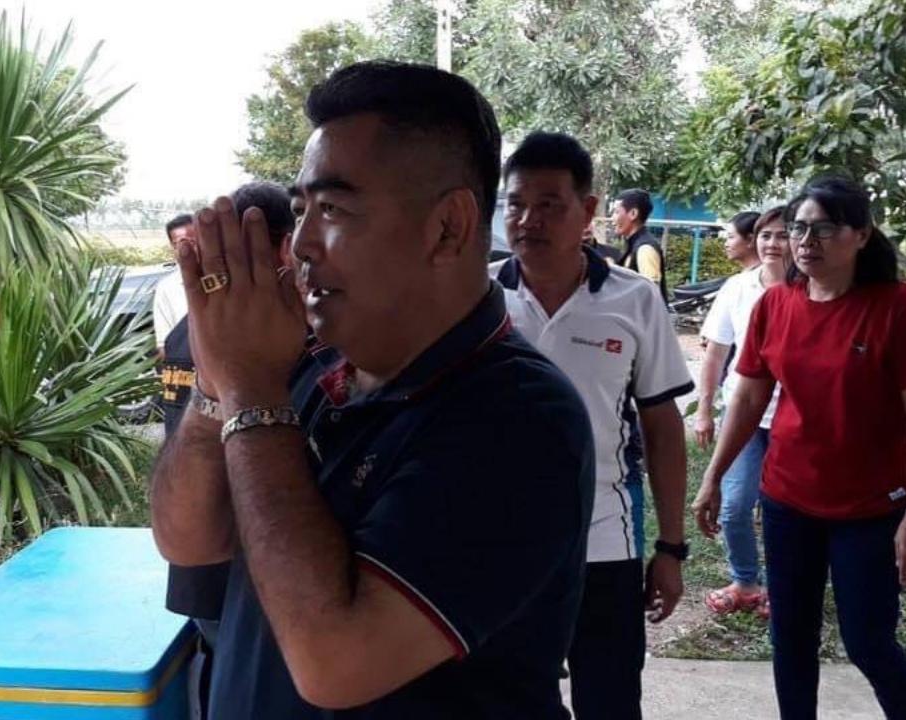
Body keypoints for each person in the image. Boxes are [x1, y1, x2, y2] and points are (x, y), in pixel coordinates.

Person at [150, 61, 594, 719]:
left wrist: (249, 390)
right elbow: (187, 541)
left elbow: (335, 662)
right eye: (299, 211)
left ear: (448, 227)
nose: (301, 245)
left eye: (332, 209)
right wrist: (218, 386)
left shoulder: (521, 417)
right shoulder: (304, 365)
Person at [693, 175, 906, 719]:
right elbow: (748, 396)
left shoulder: (904, 309)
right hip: (788, 498)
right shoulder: (774, 305)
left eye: (824, 229)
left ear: (862, 235)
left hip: (871, 507)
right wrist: (713, 476)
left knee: (868, 641)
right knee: (790, 637)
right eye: (798, 228)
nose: (806, 241)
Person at [493, 131, 693, 720]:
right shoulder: (477, 298)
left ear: (588, 211)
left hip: (604, 540)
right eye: (515, 204)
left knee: (609, 700)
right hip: (495, 544)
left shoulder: (634, 300)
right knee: (504, 702)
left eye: (548, 205)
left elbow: (662, 427)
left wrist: (671, 548)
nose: (527, 220)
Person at [159, 182, 295, 719]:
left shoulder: (187, 330)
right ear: (281, 248)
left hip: (218, 569)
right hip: (239, 568)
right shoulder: (283, 336)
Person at [692, 206, 791, 617]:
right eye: (766, 235)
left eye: (782, 235)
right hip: (744, 415)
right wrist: (704, 410)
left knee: (784, 511)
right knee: (734, 506)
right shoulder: (737, 288)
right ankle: (745, 581)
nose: (773, 243)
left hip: (793, 421)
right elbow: (715, 353)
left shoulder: (812, 289)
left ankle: (783, 588)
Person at [612, 188, 667, 300]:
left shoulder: (645, 249)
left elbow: (651, 294)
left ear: (633, 214)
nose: (613, 218)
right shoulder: (633, 244)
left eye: (616, 212)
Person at [153, 214, 196, 356]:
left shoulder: (223, 281)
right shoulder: (166, 288)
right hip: (186, 364)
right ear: (173, 247)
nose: (187, 250)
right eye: (180, 244)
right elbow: (163, 344)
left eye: (193, 242)